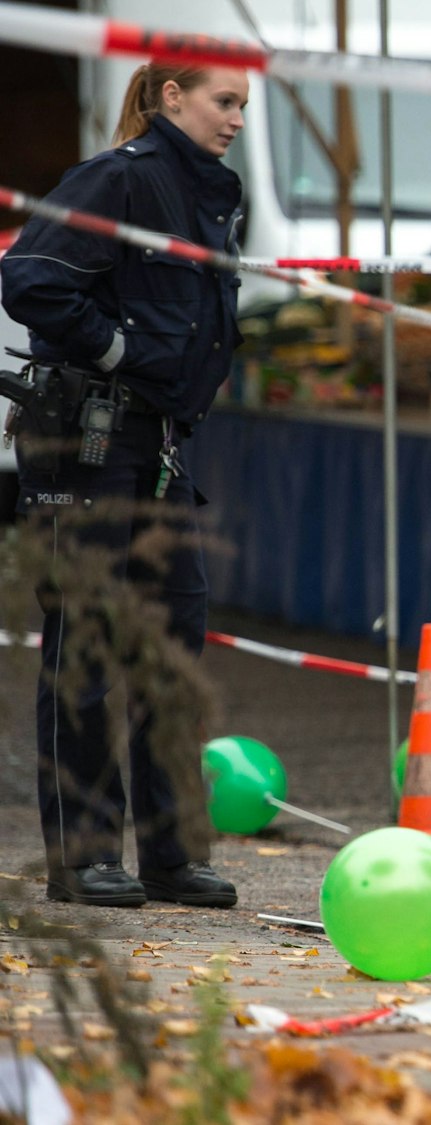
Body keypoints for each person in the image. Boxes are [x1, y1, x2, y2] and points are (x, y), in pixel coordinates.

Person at [1, 63, 249, 909]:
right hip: (87, 448)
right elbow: (30, 277)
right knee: (91, 651)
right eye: (225, 102)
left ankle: (172, 856)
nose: (237, 120)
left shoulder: (208, 195)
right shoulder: (118, 178)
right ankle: (83, 855)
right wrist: (114, 353)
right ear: (171, 97)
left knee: (174, 649)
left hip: (160, 448)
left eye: (244, 105)